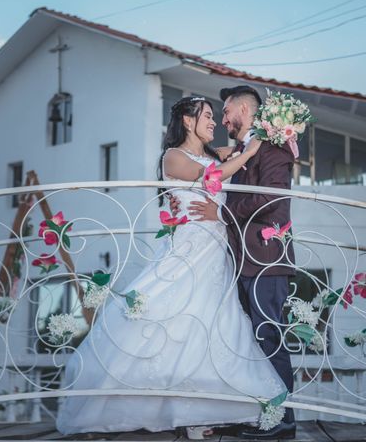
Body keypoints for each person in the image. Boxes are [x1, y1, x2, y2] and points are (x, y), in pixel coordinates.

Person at [55, 96, 286, 438]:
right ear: (188, 121)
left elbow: (228, 157)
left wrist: (262, 137)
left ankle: (200, 413)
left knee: (211, 322)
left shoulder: (211, 153)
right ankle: (153, 405)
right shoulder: (173, 156)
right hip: (189, 246)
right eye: (208, 116)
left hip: (216, 251)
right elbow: (214, 177)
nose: (213, 123)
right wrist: (250, 153)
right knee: (173, 314)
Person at [184, 85, 297, 440]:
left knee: (269, 337)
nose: (222, 119)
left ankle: (283, 421)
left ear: (245, 111)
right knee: (245, 342)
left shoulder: (274, 149)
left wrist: (223, 212)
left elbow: (271, 200)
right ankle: (254, 413)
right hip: (240, 260)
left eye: (226, 111)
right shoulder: (243, 149)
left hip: (264, 259)